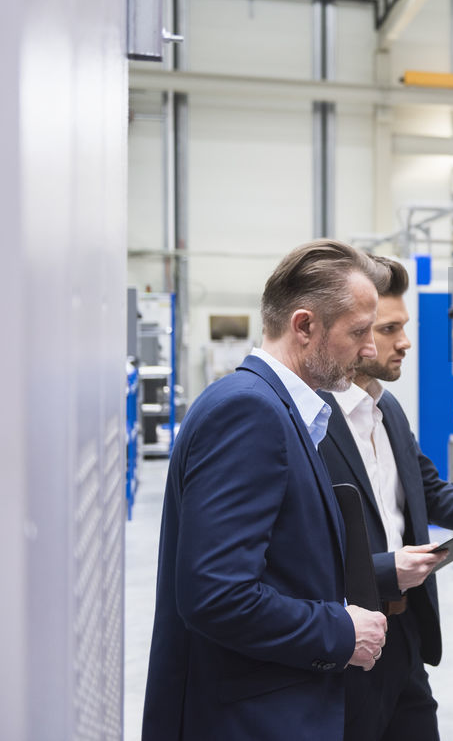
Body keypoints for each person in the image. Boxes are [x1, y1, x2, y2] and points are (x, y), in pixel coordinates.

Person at [143, 240, 391, 741]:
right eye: (358, 332)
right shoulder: (249, 412)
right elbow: (215, 594)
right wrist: (340, 631)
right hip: (248, 719)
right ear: (304, 327)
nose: (370, 350)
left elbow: (286, 560)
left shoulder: (283, 410)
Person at [318, 256, 453, 741]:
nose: (405, 342)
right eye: (390, 328)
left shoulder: (387, 409)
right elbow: (305, 550)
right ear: (352, 332)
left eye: (405, 326)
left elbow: (429, 492)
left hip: (406, 636)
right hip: (347, 637)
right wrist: (384, 569)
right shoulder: (311, 425)